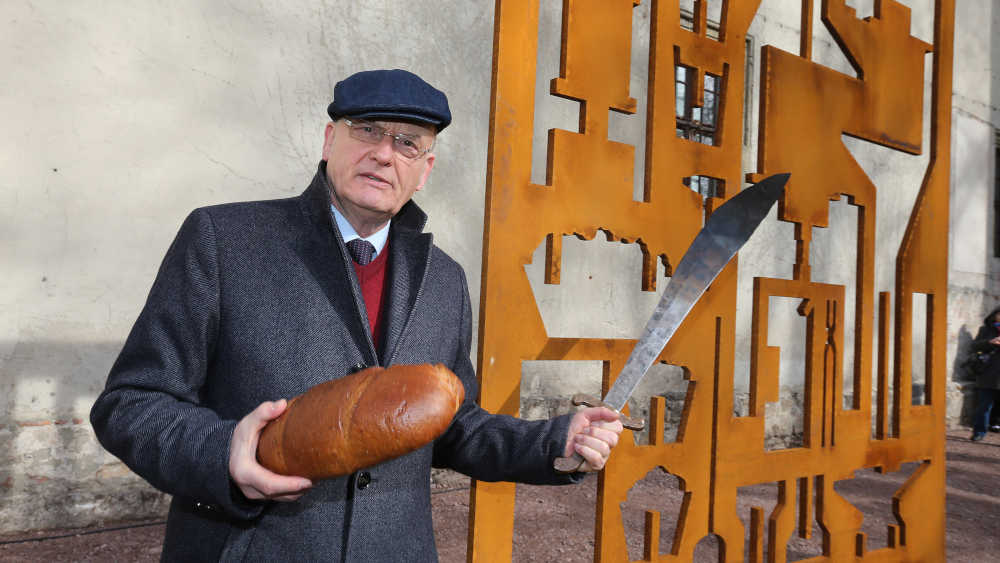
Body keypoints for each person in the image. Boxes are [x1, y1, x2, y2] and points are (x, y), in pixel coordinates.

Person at [90, 69, 624, 561]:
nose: (384, 154)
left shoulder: (445, 278)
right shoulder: (224, 240)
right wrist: (226, 452)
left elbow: (454, 425)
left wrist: (556, 441)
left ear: (424, 169)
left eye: (408, 143)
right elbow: (131, 403)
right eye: (367, 130)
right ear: (329, 141)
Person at [968, 306, 1000, 441]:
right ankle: (979, 432)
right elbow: (974, 346)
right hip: (988, 374)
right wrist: (990, 342)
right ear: (994, 316)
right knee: (984, 406)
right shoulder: (986, 330)